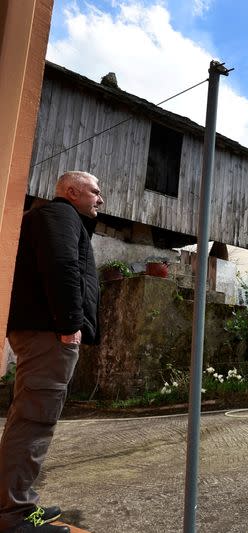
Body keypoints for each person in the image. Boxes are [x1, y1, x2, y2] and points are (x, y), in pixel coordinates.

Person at [0, 171, 103, 532]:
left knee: (28, 417)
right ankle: (13, 516)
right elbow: (62, 267)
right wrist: (69, 325)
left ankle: (17, 504)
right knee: (34, 420)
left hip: (43, 331)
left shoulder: (57, 218)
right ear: (71, 191)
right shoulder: (60, 215)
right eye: (94, 191)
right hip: (49, 333)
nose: (100, 200)